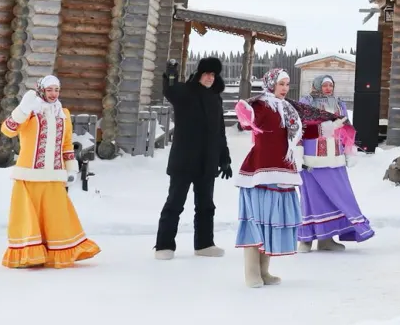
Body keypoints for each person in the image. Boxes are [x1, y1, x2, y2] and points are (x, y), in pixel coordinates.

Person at [0, 74, 100, 268]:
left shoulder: (63, 114)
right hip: (28, 175)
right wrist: (22, 109)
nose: (53, 94)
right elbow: (8, 130)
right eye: (49, 90)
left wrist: (71, 168)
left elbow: (67, 144)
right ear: (41, 90)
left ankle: (56, 253)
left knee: (56, 217)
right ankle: (28, 255)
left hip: (54, 176)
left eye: (56, 90)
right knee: (27, 217)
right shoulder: (30, 112)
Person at [155, 57, 231, 260]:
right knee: (175, 203)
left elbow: (220, 131)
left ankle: (205, 244)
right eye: (206, 73)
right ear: (199, 74)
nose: (209, 77)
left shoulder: (215, 97)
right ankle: (164, 245)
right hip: (184, 160)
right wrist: (171, 73)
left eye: (213, 75)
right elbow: (170, 90)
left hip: (207, 161)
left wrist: (224, 158)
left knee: (206, 205)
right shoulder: (186, 92)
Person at [234, 67, 303, 288]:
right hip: (260, 172)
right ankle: (251, 272)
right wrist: (245, 111)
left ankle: (264, 271)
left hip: (282, 171)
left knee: (272, 222)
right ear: (271, 83)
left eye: (287, 84)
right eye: (281, 84)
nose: (285, 88)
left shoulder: (288, 109)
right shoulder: (261, 105)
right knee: (257, 221)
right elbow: (246, 118)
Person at [295, 74, 375, 251]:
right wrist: (298, 154)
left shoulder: (339, 104)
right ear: (317, 86)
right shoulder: (306, 103)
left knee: (336, 196)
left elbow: (347, 129)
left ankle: (326, 239)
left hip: (335, 157)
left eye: (330, 85)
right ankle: (306, 239)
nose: (328, 88)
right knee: (310, 196)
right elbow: (299, 129)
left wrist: (348, 152)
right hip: (311, 159)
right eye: (324, 85)